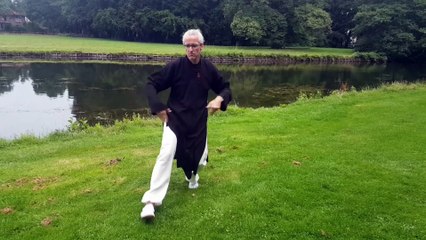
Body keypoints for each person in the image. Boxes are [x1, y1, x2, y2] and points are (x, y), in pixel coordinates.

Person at [140, 29, 232, 220]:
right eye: (187, 46)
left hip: (198, 121)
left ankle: (192, 177)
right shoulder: (176, 67)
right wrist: (158, 106)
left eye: (194, 46)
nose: (191, 49)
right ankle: (151, 203)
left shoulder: (208, 69)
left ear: (202, 47)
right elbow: (151, 83)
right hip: (175, 120)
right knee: (165, 154)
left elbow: (225, 87)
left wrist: (219, 99)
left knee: (197, 159)